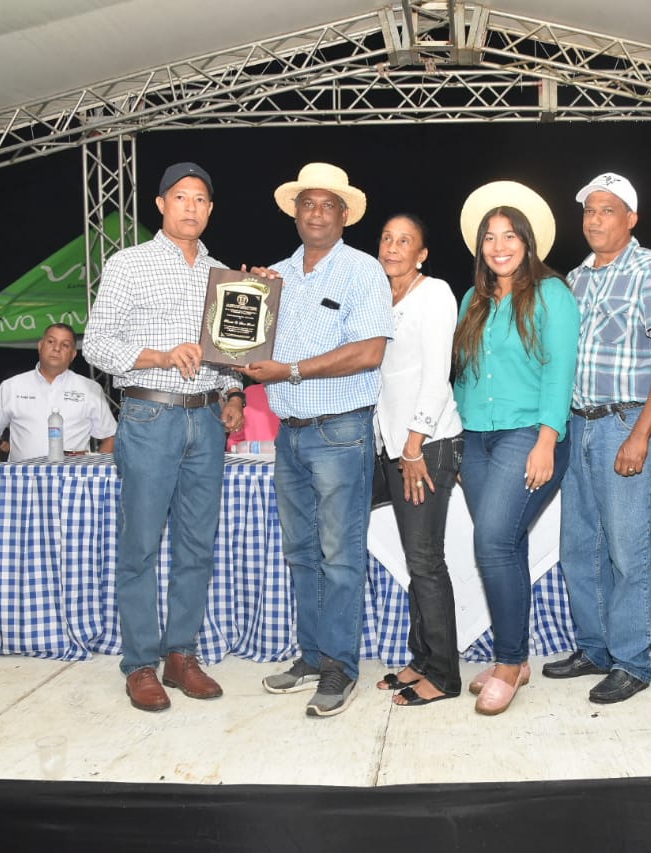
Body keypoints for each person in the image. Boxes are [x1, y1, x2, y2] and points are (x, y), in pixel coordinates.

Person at [83, 161, 246, 713]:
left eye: (201, 199)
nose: (191, 207)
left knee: (198, 545)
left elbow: (228, 358)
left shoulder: (223, 274)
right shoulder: (129, 263)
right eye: (181, 197)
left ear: (211, 209)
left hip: (205, 420)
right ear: (160, 204)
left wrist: (233, 395)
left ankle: (181, 655)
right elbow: (97, 344)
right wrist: (159, 355)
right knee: (142, 545)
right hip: (150, 415)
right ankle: (139, 664)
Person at [247, 163, 392, 718]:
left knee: (338, 555)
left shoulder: (363, 271)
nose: (315, 213)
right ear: (294, 211)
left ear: (344, 215)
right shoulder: (275, 276)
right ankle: (311, 655)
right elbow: (247, 347)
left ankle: (339, 667)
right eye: (306, 203)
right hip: (290, 434)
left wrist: (292, 372)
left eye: (327, 205)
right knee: (302, 553)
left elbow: (370, 351)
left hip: (340, 430)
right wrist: (246, 299)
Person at [542, 172, 651, 704]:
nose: (595, 219)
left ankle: (631, 660)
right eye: (589, 210)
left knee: (627, 551)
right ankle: (595, 647)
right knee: (579, 547)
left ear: (631, 219)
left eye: (608, 210)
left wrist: (642, 433)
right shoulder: (576, 279)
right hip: (580, 424)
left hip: (626, 423)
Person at [452, 181, 579, 716]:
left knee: (492, 544)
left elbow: (559, 370)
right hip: (476, 440)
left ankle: (507, 662)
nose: (498, 245)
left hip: (530, 433)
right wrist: (458, 440)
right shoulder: (473, 299)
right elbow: (461, 375)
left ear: (528, 243)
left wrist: (547, 439)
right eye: (489, 237)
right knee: (507, 546)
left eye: (509, 236)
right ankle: (518, 658)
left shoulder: (553, 294)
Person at [370, 213, 465, 707]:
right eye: (387, 238)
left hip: (425, 445)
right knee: (415, 558)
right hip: (392, 443)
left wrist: (412, 446)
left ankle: (445, 675)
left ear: (422, 253)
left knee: (426, 560)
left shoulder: (436, 293)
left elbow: (436, 373)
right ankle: (423, 657)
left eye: (405, 240)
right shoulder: (379, 296)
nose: (392, 247)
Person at [0, 322, 117, 555]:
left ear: (73, 355)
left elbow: (110, 436)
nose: (56, 348)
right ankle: (5, 566)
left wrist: (93, 476)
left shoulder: (90, 389)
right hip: (19, 485)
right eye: (51, 341)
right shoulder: (12, 387)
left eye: (65, 345)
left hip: (71, 488)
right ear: (40, 346)